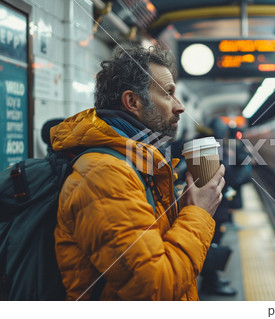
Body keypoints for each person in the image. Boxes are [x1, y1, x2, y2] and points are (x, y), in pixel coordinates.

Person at [50, 44, 225, 300]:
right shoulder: (105, 175)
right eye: (167, 94)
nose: (180, 107)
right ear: (133, 101)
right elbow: (155, 287)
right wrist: (198, 212)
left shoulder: (139, 164)